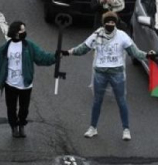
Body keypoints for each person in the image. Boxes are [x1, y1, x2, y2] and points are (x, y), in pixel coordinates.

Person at [62, 11, 147, 141]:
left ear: (116, 23)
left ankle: (126, 129)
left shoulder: (122, 36)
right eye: (108, 22)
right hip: (100, 73)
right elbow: (83, 48)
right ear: (104, 23)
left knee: (121, 101)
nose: (110, 24)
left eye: (113, 22)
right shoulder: (97, 35)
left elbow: (134, 52)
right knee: (97, 101)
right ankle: (92, 128)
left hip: (117, 73)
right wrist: (68, 52)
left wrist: (148, 55)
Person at [0, 21, 56, 138]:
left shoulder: (29, 46)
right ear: (15, 32)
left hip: (25, 85)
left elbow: (42, 57)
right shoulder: (6, 47)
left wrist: (55, 57)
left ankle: (21, 124)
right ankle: (14, 127)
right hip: (10, 84)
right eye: (21, 30)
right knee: (11, 108)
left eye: (24, 30)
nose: (24, 32)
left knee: (24, 109)